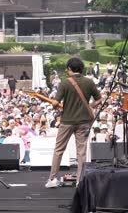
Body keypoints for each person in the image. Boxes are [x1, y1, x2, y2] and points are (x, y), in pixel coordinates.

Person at [45, 57, 102, 188]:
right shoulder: (89, 82)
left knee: (59, 150)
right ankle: (79, 181)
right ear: (81, 69)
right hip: (84, 121)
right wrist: (90, 107)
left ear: (69, 69)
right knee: (81, 152)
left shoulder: (65, 83)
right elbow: (99, 99)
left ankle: (52, 179)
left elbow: (55, 103)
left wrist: (54, 103)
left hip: (67, 121)